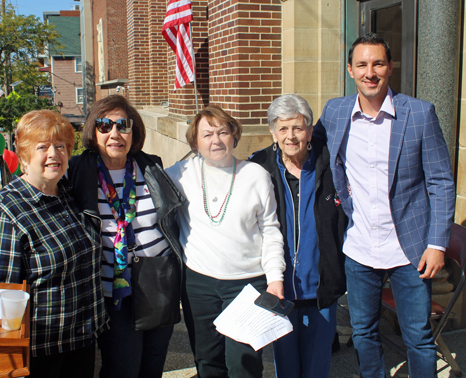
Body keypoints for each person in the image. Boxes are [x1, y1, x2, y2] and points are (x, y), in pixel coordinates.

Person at [315, 32, 456, 378]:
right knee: (363, 333)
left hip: (410, 251)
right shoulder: (335, 111)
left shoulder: (419, 114)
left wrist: (437, 244)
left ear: (390, 67)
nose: (370, 72)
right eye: (362, 64)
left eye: (378, 63)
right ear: (350, 70)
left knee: (419, 339)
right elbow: (306, 148)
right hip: (359, 248)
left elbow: (441, 182)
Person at [0, 110, 108, 378]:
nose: (53, 154)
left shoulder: (67, 193)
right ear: (23, 155)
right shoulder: (5, 212)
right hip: (39, 352)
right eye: (42, 147)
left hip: (81, 339)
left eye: (60, 146)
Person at [67, 94, 186, 378]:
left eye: (123, 124)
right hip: (113, 292)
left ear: (134, 131)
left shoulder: (152, 167)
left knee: (153, 366)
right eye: (105, 125)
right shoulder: (77, 172)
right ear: (93, 132)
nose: (115, 134)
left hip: (158, 284)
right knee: (122, 368)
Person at [165, 105, 286, 378]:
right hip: (199, 284)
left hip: (247, 283)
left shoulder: (256, 176)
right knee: (207, 361)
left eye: (223, 132)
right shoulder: (180, 173)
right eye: (206, 134)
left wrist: (275, 278)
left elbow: (270, 230)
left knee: (244, 363)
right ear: (195, 142)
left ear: (234, 135)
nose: (216, 140)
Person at [249, 94, 348, 378]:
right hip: (279, 288)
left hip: (322, 286)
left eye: (298, 127)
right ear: (272, 132)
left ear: (309, 130)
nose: (290, 136)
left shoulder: (332, 165)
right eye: (283, 128)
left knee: (317, 367)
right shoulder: (259, 167)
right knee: (286, 367)